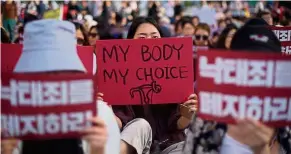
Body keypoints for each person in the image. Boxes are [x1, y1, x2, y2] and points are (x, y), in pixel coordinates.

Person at [1, 19, 120, 154]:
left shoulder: (99, 115)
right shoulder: (9, 119)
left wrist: (97, 150)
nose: (51, 80)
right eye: (41, 73)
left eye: (59, 72)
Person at [183, 18, 291, 154]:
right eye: (247, 64)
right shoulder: (206, 123)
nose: (255, 76)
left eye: (264, 66)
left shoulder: (286, 126)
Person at [112, 17, 197, 154]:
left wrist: (187, 113)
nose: (149, 42)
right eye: (142, 38)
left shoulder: (175, 73)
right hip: (135, 146)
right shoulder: (118, 76)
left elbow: (177, 125)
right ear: (129, 43)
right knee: (141, 125)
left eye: (154, 37)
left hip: (170, 145)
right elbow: (120, 121)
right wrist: (104, 111)